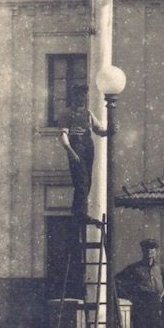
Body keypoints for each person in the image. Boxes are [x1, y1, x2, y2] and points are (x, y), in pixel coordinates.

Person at [58, 83, 106, 226]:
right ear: (73, 96)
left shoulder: (88, 113)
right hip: (76, 146)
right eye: (78, 95)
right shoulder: (67, 113)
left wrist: (110, 130)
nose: (81, 98)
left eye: (83, 95)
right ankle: (79, 212)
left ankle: (80, 211)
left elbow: (99, 130)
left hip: (88, 147)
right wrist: (71, 151)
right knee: (81, 180)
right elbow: (63, 135)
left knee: (88, 181)